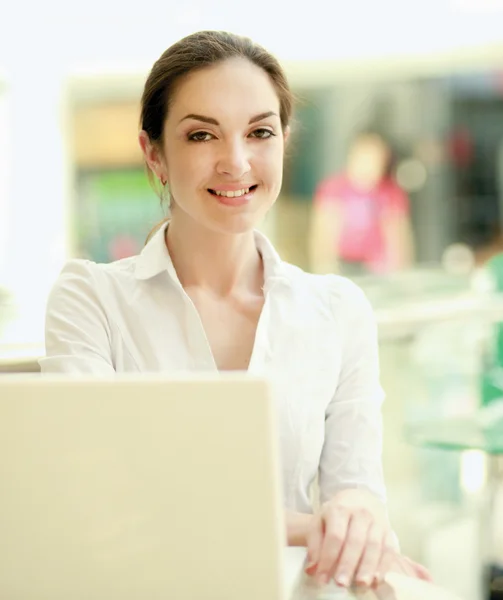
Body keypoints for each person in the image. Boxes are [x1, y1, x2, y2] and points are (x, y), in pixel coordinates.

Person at [40, 31, 430, 590]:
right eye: (202, 135)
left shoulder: (339, 311)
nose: (237, 161)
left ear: (283, 142)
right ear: (155, 155)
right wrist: (317, 525)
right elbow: (101, 499)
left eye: (260, 132)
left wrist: (355, 520)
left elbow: (357, 497)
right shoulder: (91, 300)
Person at [309, 130, 415, 276]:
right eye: (364, 158)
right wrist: (326, 273)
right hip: (343, 264)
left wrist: (399, 274)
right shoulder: (333, 189)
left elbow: (397, 239)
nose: (368, 166)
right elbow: (324, 238)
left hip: (377, 267)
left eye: (375, 160)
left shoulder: (391, 193)